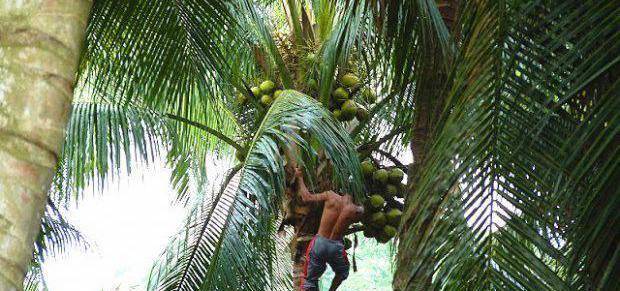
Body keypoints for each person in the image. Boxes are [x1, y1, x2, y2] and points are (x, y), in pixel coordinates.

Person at [294, 167, 365, 291]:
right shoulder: (357, 210)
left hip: (319, 243)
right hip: (336, 247)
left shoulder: (330, 196)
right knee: (343, 272)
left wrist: (299, 177)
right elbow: (364, 211)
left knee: (309, 280)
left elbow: (306, 197)